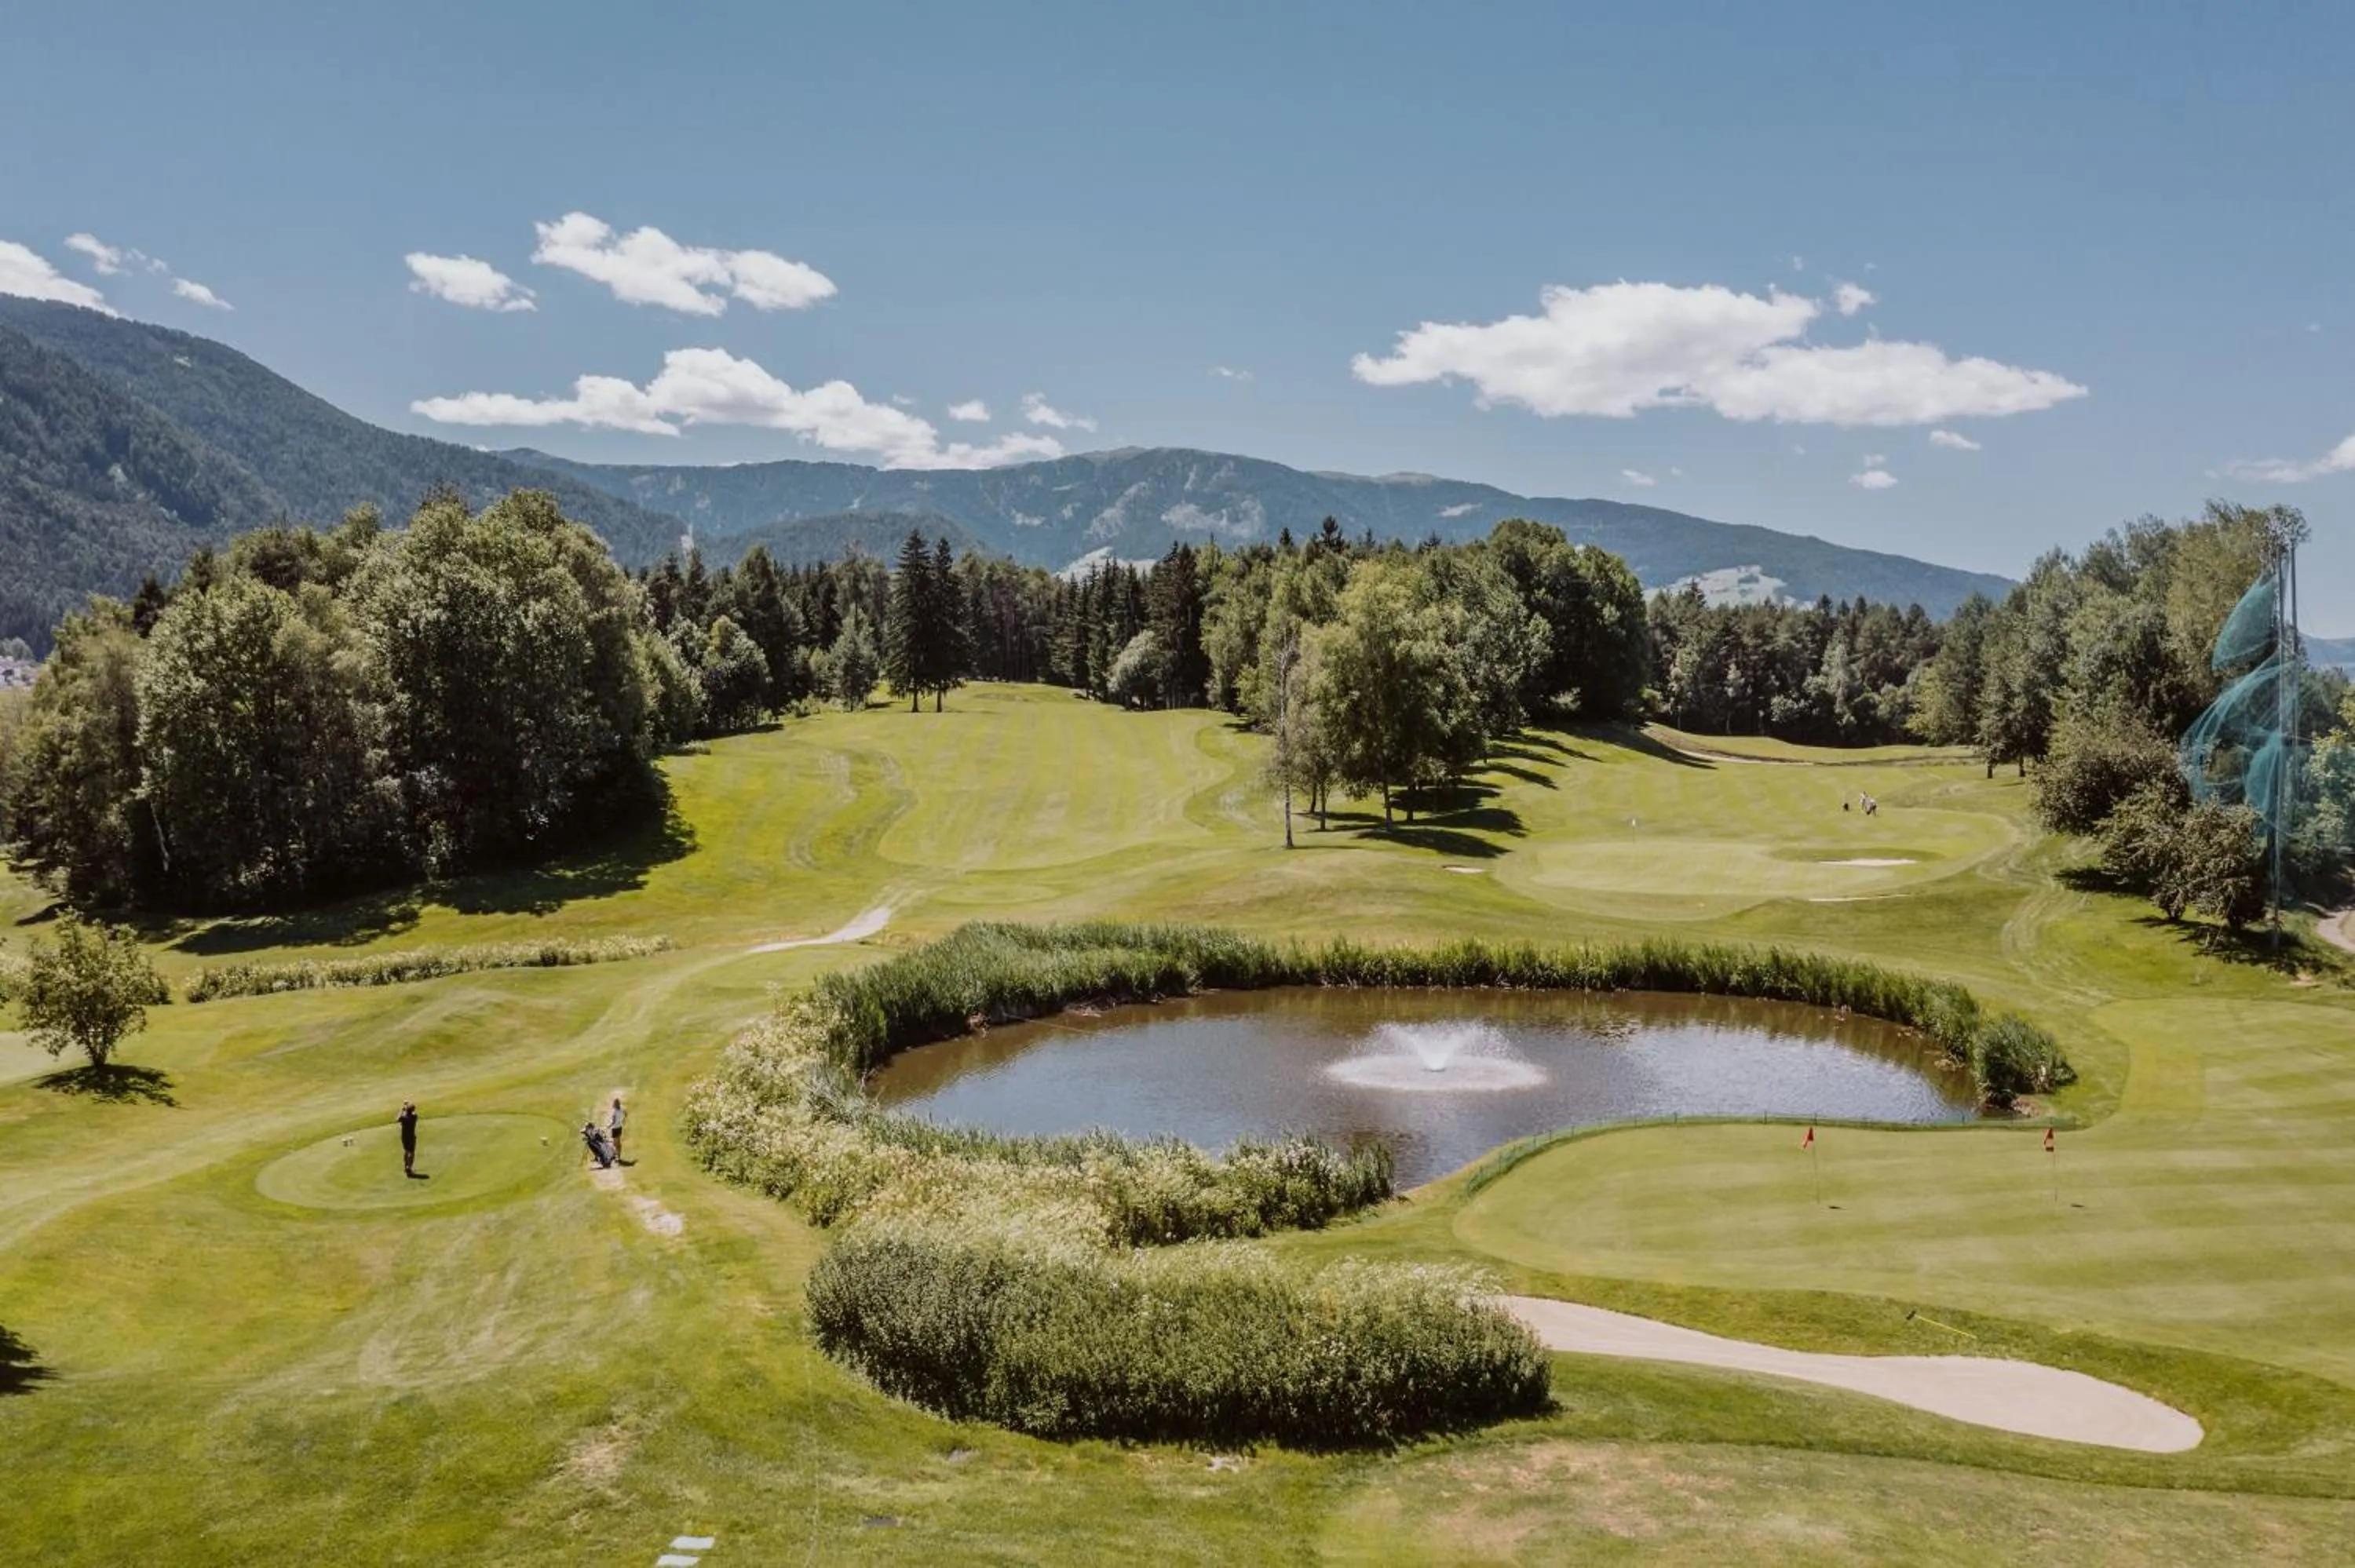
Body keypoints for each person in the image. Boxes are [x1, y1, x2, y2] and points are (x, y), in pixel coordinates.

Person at [397, 1101, 419, 1177]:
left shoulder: (403, 1118)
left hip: (404, 1136)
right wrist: (407, 1108)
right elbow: (413, 1112)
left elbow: (398, 1119)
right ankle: (409, 1168)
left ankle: (406, 1167)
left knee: (406, 1151)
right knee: (412, 1152)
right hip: (411, 1136)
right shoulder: (414, 1117)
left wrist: (403, 1109)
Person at [608, 1096, 627, 1161]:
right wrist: (623, 1120)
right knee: (618, 1143)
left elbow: (613, 1122)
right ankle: (618, 1156)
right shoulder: (622, 1109)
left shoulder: (614, 1112)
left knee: (616, 1143)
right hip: (620, 1128)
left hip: (615, 1128)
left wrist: (608, 1126)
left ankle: (616, 1156)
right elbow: (626, 1114)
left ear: (615, 1104)